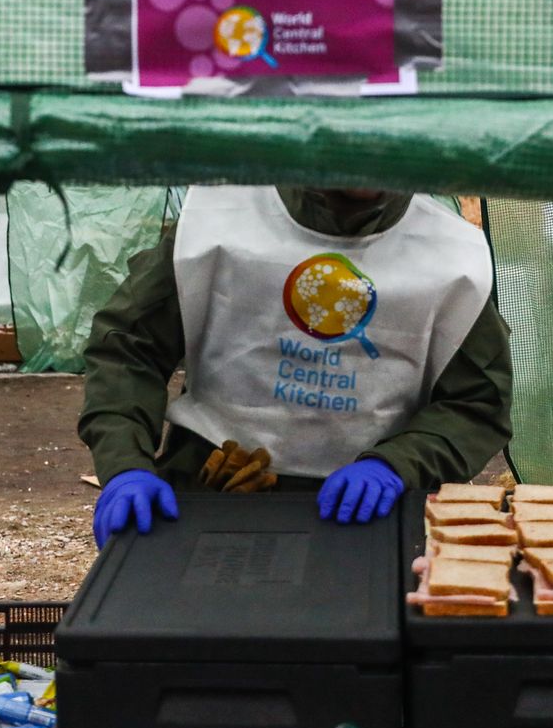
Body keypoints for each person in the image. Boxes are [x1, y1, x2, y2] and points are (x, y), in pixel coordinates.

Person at [79, 185, 512, 545]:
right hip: (208, 493)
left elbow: (475, 402)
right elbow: (128, 347)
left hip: (370, 520)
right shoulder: (218, 219)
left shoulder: (451, 259)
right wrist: (126, 467)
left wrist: (397, 465)